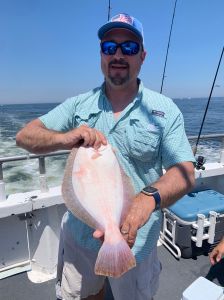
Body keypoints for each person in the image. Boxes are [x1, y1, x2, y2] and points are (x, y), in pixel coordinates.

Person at [16, 13, 195, 300]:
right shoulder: (78, 105)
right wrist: (64, 137)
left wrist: (145, 200)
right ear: (101, 55)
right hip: (80, 239)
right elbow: (25, 136)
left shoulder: (164, 110)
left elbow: (185, 169)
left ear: (143, 56)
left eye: (129, 47)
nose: (119, 55)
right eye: (110, 47)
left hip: (136, 245)